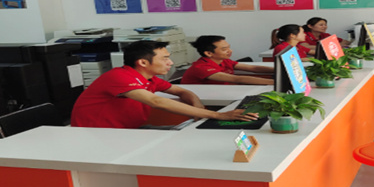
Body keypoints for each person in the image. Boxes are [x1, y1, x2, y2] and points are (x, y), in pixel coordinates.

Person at [71, 40, 257, 129]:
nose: (171, 63)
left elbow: (182, 91)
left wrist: (198, 106)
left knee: (189, 131)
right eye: (165, 58)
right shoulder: (119, 77)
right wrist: (217, 114)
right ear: (143, 62)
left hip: (132, 130)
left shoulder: (150, 78)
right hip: (102, 135)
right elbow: (157, 102)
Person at [181, 35, 274, 85]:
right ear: (209, 53)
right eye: (224, 49)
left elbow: (253, 68)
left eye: (229, 47)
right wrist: (275, 83)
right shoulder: (201, 67)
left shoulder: (224, 60)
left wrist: (277, 70)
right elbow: (237, 79)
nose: (230, 51)